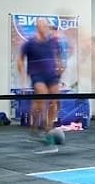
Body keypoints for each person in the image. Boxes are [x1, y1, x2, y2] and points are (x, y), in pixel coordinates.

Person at [16, 18, 65, 154]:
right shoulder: (29, 44)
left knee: (55, 100)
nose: (45, 28)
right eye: (42, 26)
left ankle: (48, 127)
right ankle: (34, 125)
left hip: (52, 75)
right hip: (37, 75)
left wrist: (60, 67)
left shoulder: (53, 42)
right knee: (42, 98)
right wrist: (23, 77)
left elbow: (58, 56)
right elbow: (20, 60)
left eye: (46, 26)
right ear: (38, 27)